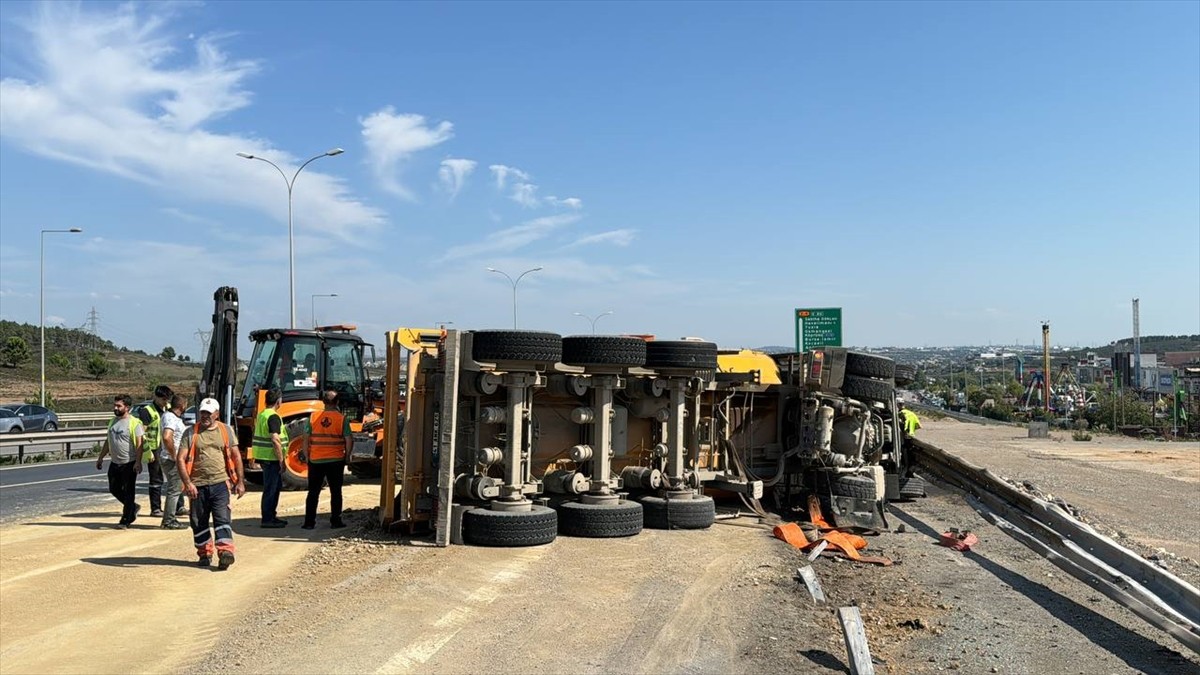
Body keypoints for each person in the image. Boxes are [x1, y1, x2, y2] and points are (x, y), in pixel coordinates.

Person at [178, 398, 245, 570]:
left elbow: (236, 456)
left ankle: (225, 553)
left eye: (208, 413)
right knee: (198, 521)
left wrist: (240, 482)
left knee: (222, 519)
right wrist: (188, 483)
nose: (205, 416)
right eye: (202, 412)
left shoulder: (226, 430)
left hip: (220, 483)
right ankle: (204, 553)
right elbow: (180, 459)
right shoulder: (190, 432)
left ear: (217, 414)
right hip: (197, 485)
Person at [301, 390, 352, 530]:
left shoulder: (313, 417)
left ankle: (309, 522)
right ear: (337, 402)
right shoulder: (342, 419)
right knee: (336, 492)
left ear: (323, 402)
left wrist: (306, 456)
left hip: (316, 461)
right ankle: (336, 521)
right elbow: (349, 439)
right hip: (336, 461)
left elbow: (305, 439)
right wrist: (347, 456)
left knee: (313, 492)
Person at [95, 394, 145, 528]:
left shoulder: (134, 423)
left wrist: (138, 462)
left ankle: (126, 519)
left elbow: (140, 444)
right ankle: (133, 507)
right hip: (115, 462)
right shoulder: (113, 421)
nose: (115, 408)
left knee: (129, 491)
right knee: (114, 488)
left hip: (129, 462)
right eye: (115, 405)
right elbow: (108, 441)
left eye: (119, 406)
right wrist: (101, 457)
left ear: (127, 407)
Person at [251, 388, 289, 528]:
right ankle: (268, 518)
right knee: (271, 488)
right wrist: (281, 460)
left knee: (273, 487)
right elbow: (275, 440)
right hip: (271, 458)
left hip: (264, 456)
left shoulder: (262, 414)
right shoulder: (273, 416)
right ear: (278, 401)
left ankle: (271, 516)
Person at [138, 385, 172, 518]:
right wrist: (148, 453)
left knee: (174, 476)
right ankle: (155, 508)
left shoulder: (168, 409)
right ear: (156, 397)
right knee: (156, 478)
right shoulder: (147, 411)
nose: (165, 402)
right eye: (163, 399)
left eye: (167, 399)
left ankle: (178, 506)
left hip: (167, 446)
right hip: (154, 448)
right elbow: (141, 433)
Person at [158, 394, 189, 530]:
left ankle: (174, 513)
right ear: (182, 406)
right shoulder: (170, 418)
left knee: (176, 488)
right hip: (171, 459)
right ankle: (168, 520)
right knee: (174, 489)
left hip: (171, 457)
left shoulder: (171, 417)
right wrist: (175, 455)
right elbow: (167, 437)